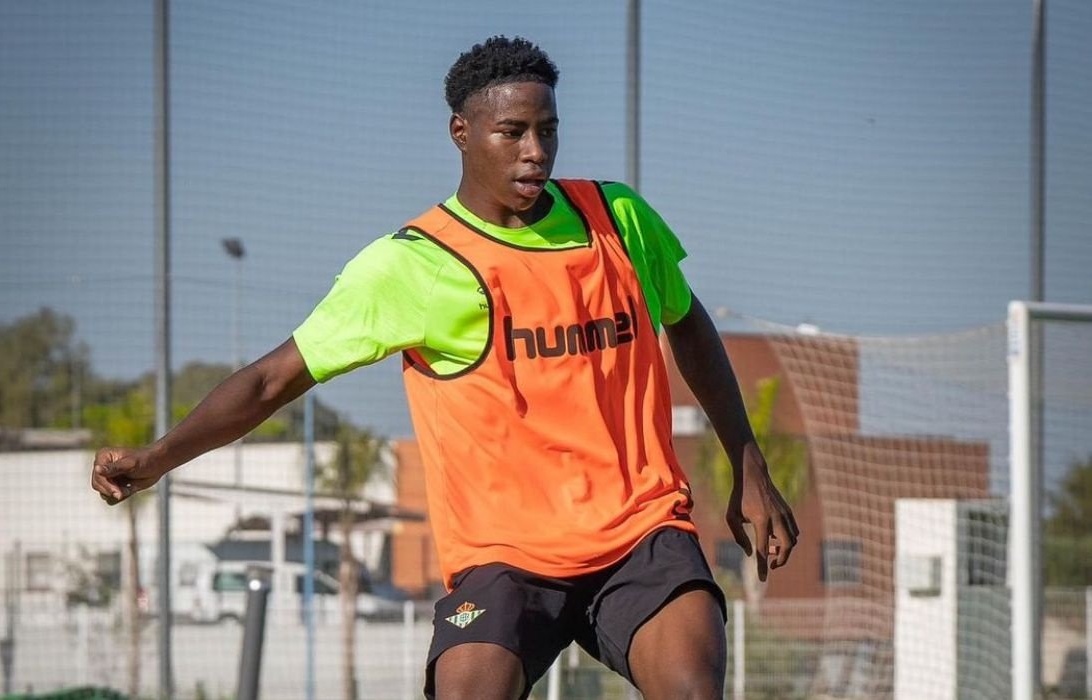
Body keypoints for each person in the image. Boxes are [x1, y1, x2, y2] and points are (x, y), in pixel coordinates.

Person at [91, 36, 798, 700]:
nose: (534, 151)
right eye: (511, 132)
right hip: (504, 556)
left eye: (546, 129)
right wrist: (157, 459)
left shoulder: (618, 217)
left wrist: (749, 465)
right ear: (462, 133)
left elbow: (686, 321)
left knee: (691, 688)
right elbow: (269, 381)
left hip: (641, 533)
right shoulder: (413, 264)